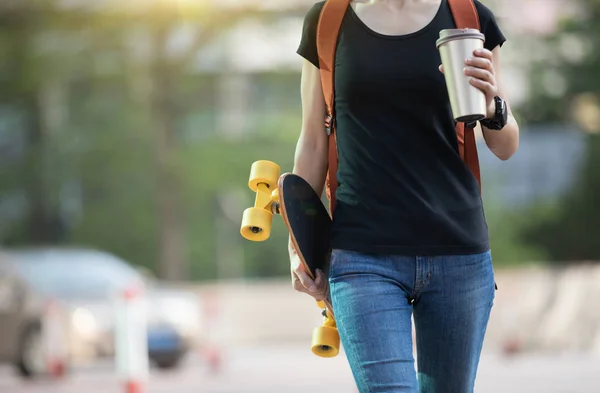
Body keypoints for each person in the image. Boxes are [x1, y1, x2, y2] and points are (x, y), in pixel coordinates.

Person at [289, 0, 519, 392]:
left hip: (458, 255)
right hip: (362, 256)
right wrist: (300, 243)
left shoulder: (470, 18)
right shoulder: (328, 20)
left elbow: (505, 144)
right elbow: (313, 139)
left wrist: (493, 103)